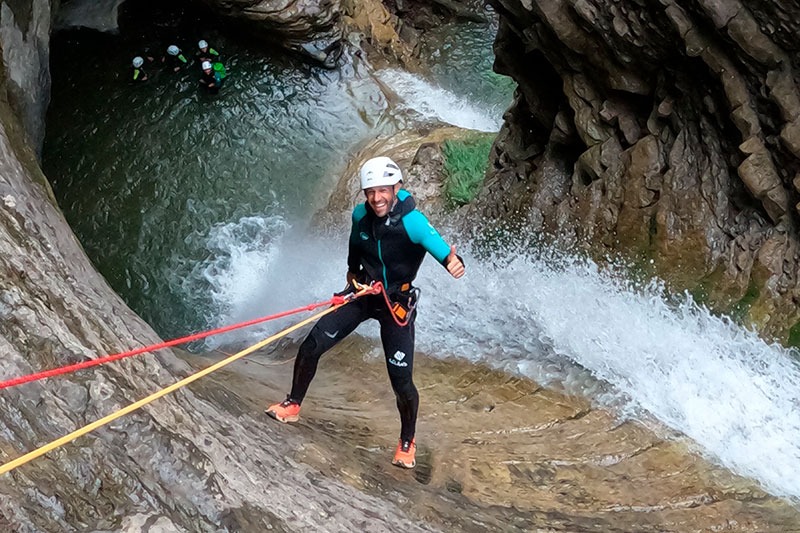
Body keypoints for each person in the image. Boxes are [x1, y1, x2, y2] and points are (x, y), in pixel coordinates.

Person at [266, 156, 465, 469]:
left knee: (401, 382)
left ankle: (407, 441)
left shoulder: (412, 221)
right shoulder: (361, 214)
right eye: (371, 192)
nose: (376, 198)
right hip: (363, 294)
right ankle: (292, 404)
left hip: (395, 304)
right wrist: (351, 274)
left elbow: (437, 245)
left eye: (383, 190)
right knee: (311, 345)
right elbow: (354, 246)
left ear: (396, 188)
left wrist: (452, 262)